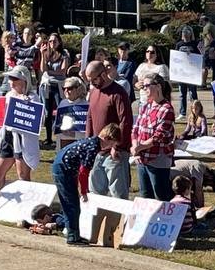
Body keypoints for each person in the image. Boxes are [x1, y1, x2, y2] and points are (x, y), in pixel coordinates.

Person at [50, 125, 119, 245]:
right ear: (107, 138)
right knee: (71, 204)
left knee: (73, 204)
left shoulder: (92, 142)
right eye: (112, 143)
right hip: (63, 169)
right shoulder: (93, 147)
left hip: (65, 167)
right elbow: (84, 172)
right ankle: (72, 236)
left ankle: (74, 234)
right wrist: (83, 191)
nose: (112, 147)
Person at [85, 60, 133, 200]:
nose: (92, 82)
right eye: (89, 80)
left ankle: (118, 221)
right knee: (95, 193)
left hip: (114, 153)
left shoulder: (118, 93)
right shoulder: (93, 92)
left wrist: (117, 146)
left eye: (94, 79)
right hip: (97, 151)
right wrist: (89, 143)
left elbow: (125, 122)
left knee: (118, 195)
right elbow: (90, 118)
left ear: (104, 74)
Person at [0, 66, 42, 193]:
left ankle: (26, 206)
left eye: (15, 78)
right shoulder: (8, 95)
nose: (11, 82)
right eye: (10, 78)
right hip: (8, 137)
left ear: (25, 80)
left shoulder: (33, 98)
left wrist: (24, 104)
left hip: (22, 139)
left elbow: (37, 121)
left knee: (23, 175)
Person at [131, 72, 175, 200]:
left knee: (161, 196)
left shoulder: (167, 109)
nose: (144, 89)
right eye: (142, 86)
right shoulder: (145, 107)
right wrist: (135, 146)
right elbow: (135, 129)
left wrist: (138, 148)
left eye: (146, 86)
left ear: (158, 87)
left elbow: (158, 137)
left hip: (158, 159)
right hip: (142, 158)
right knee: (145, 196)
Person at [54, 77, 88, 151]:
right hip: (62, 142)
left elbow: (87, 130)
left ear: (78, 89)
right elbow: (57, 127)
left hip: (79, 143)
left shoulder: (86, 106)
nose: (66, 91)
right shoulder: (62, 103)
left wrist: (74, 134)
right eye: (64, 88)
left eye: (70, 88)